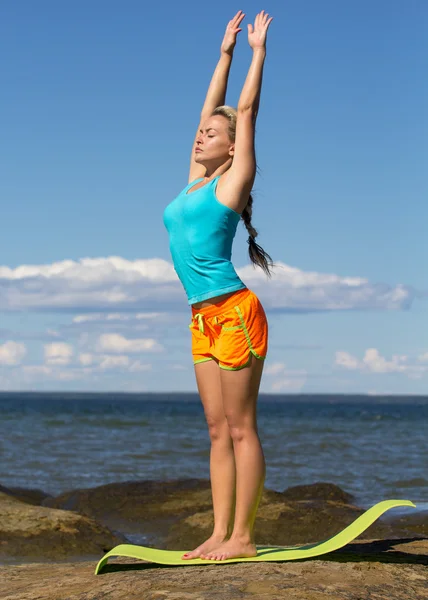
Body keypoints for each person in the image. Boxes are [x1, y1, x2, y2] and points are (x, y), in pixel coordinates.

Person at [163, 9, 274, 561]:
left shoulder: (231, 182)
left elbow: (243, 110)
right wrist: (222, 56)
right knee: (215, 430)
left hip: (234, 312)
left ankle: (244, 539)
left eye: (213, 132)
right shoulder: (192, 183)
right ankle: (218, 532)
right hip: (200, 317)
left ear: (232, 148)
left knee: (240, 427)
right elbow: (211, 108)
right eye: (200, 131)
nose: (202, 132)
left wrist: (254, 53)